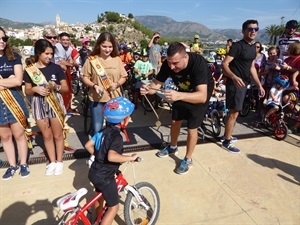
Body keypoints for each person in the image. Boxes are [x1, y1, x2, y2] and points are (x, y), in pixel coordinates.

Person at [140, 42, 214, 175]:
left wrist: (179, 95)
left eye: (175, 63)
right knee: (175, 121)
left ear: (185, 57)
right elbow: (157, 83)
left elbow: (202, 96)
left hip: (199, 93)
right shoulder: (169, 64)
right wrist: (148, 89)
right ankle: (173, 147)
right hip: (181, 91)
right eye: (169, 62)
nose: (172, 67)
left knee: (192, 127)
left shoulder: (198, 63)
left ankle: (188, 159)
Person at [86, 97, 139, 225]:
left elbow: (88, 145)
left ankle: (96, 220)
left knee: (100, 195)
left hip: (94, 171)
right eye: (128, 117)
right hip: (105, 175)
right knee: (114, 207)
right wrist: (130, 158)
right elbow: (112, 156)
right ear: (123, 120)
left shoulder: (102, 132)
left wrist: (100, 156)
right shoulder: (117, 137)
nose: (130, 119)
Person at [24, 39, 69, 175]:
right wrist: (35, 89)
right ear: (38, 53)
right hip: (38, 103)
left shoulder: (56, 68)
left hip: (54, 102)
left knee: (58, 135)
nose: (49, 57)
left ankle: (59, 161)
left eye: (51, 54)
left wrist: (57, 87)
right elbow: (27, 91)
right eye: (46, 54)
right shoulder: (30, 70)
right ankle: (52, 161)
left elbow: (66, 88)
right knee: (46, 136)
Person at [221, 19, 265, 153]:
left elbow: (251, 67)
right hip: (235, 84)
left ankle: (227, 136)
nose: (253, 31)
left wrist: (259, 85)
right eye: (250, 29)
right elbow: (224, 64)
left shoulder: (252, 47)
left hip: (245, 84)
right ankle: (226, 141)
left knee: (236, 112)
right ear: (243, 31)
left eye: (256, 29)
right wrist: (233, 77)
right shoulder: (237, 46)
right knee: (234, 113)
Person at [81, 32, 128, 136]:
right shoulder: (92, 60)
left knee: (113, 129)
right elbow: (84, 77)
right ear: (99, 45)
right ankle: (98, 151)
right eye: (104, 46)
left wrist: (117, 84)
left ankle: (110, 150)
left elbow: (124, 76)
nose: (107, 50)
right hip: (97, 99)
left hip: (114, 99)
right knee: (97, 128)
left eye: (110, 47)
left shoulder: (117, 59)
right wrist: (94, 86)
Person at [0, 27, 30, 180]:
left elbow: (18, 80)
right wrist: (8, 81)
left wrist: (5, 82)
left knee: (19, 134)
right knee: (5, 137)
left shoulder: (14, 57)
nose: (2, 41)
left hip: (14, 100)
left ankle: (23, 163)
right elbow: (12, 80)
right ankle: (12, 165)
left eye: (4, 38)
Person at [54, 32, 75, 113]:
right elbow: (59, 60)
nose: (65, 41)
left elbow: (69, 58)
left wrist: (71, 63)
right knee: (61, 90)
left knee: (69, 89)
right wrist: (70, 64)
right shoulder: (57, 47)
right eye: (63, 40)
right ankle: (60, 109)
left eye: (67, 40)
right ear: (60, 40)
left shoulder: (69, 48)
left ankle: (67, 107)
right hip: (57, 71)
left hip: (66, 70)